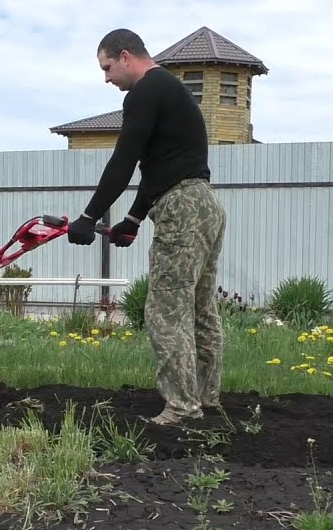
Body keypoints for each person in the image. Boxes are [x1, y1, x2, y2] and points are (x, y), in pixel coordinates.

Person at [66, 28, 227, 426]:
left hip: (181, 207)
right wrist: (134, 219)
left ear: (125, 56)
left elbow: (123, 161)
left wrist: (89, 217)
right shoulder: (170, 91)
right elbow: (157, 169)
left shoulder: (143, 92)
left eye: (106, 68)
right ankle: (205, 398)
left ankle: (181, 407)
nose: (107, 79)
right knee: (201, 308)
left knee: (165, 311)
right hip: (204, 203)